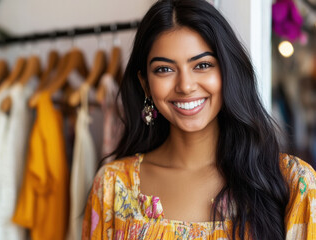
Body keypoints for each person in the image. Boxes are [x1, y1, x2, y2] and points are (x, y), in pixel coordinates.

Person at [81, 0, 316, 239]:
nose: (185, 86)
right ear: (145, 85)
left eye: (202, 65)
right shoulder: (111, 187)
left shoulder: (292, 184)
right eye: (164, 69)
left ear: (227, 71)